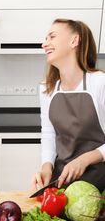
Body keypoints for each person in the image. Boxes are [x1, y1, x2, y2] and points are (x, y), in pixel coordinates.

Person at [31, 18, 105, 193]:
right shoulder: (46, 89)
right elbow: (49, 134)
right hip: (62, 184)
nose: (44, 44)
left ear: (74, 41)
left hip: (100, 186)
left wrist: (85, 159)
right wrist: (46, 166)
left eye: (52, 37)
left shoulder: (100, 83)